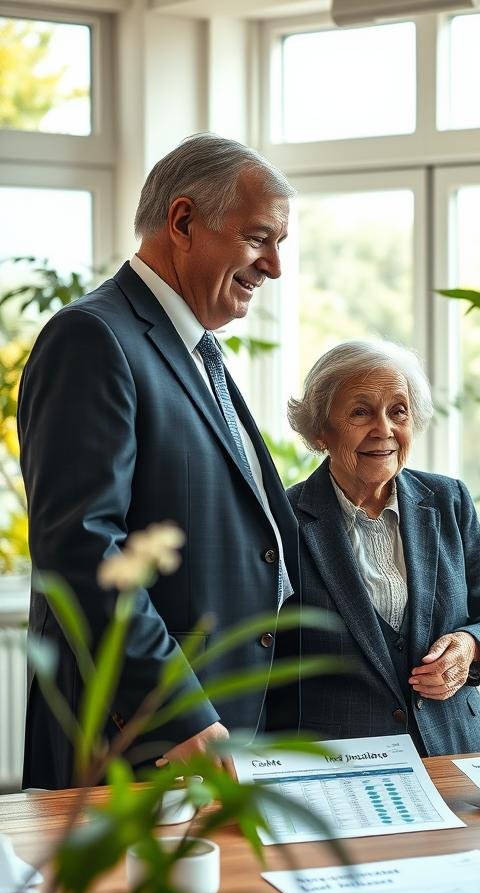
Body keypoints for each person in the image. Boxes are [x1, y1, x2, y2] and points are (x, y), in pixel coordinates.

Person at [19, 134, 298, 789]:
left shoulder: (197, 352)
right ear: (182, 222)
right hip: (147, 734)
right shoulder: (93, 337)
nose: (275, 267)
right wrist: (178, 711)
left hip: (226, 725)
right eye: (261, 238)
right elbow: (85, 548)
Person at [277, 339, 480, 755]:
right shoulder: (282, 519)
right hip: (337, 763)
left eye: (398, 411)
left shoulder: (449, 500)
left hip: (454, 753)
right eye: (360, 412)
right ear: (320, 430)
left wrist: (470, 646)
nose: (385, 429)